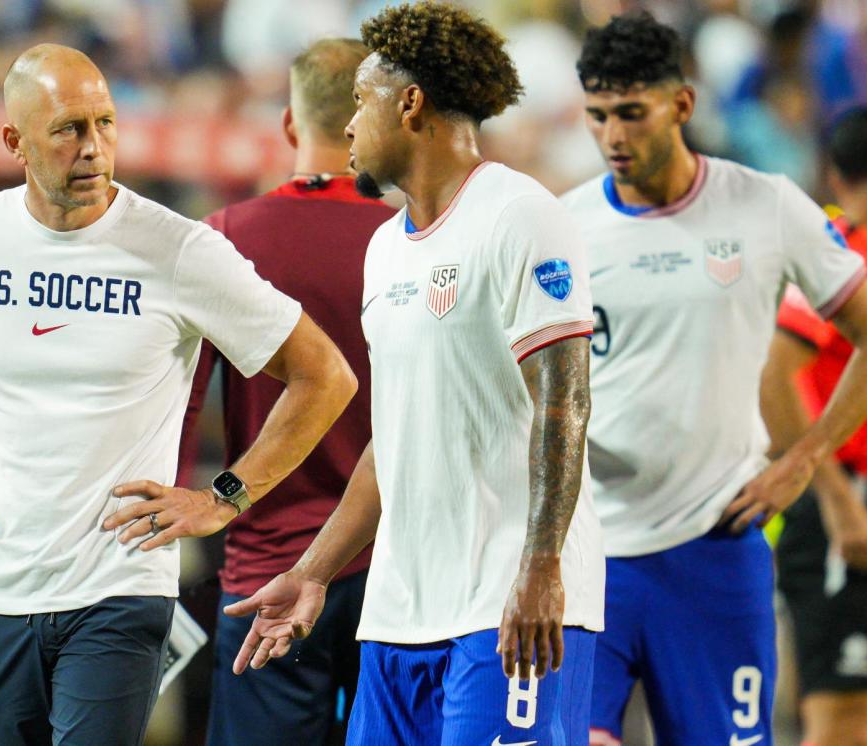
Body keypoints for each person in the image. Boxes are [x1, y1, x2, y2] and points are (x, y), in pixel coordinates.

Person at [0, 43, 358, 746]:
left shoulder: (178, 249)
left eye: (105, 123)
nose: (94, 147)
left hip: (119, 593)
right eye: (68, 129)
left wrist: (225, 498)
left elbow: (325, 375)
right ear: (14, 142)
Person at [226, 4, 605, 744]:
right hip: (399, 612)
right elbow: (390, 440)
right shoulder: (385, 249)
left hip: (507, 607)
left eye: (362, 102)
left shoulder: (521, 216)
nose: (348, 126)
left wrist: (540, 567)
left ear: (410, 103)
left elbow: (566, 403)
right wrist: (313, 572)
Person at [561, 13, 867, 746]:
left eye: (631, 113)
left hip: (715, 550)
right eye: (597, 116)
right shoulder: (564, 228)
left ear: (680, 105)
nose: (613, 136)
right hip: (589, 556)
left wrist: (802, 461)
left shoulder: (767, 204)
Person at [176, 37, 394, 746]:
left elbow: (179, 405)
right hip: (395, 572)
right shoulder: (414, 242)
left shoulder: (226, 239)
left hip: (267, 569)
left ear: (291, 125)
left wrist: (199, 504)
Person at [767, 106, 867, 746]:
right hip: (852, 504)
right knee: (845, 721)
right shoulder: (836, 252)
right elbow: (778, 376)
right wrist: (838, 500)